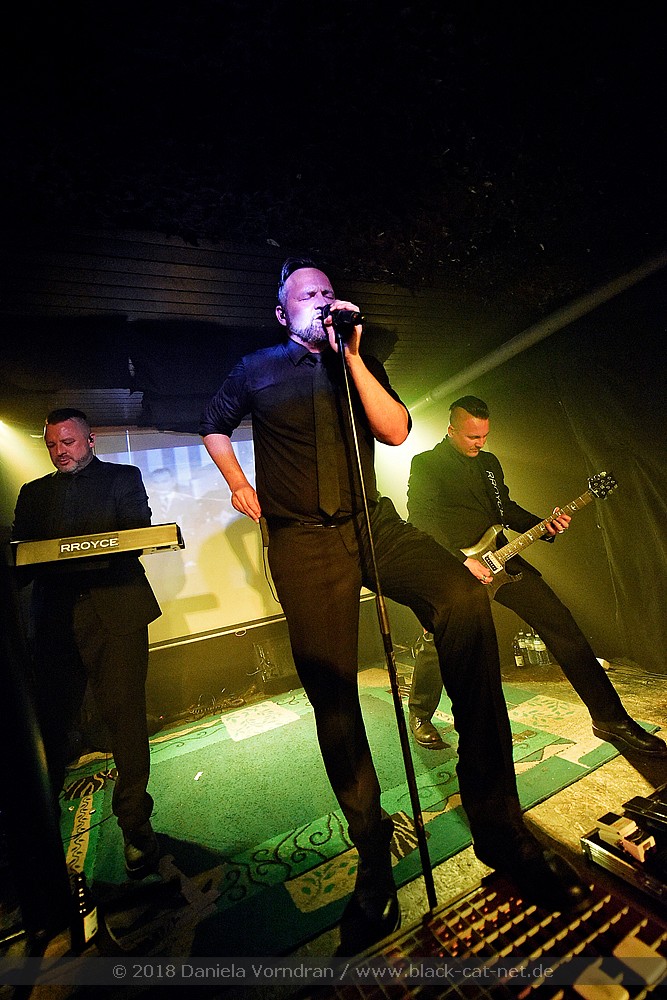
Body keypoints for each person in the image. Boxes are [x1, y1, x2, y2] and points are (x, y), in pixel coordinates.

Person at [200, 258, 593, 956]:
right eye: (307, 295)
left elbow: (394, 431)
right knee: (332, 689)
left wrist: (352, 357)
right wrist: (237, 482)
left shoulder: (359, 360)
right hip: (302, 541)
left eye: (327, 291)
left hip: (370, 523)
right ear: (282, 313)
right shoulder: (254, 368)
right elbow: (213, 424)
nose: (321, 300)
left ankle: (501, 832)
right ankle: (372, 856)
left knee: (462, 599)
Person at [406, 395, 667, 759]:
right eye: (472, 437)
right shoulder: (427, 464)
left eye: (485, 436)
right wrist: (460, 561)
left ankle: (610, 718)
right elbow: (420, 519)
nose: (480, 443)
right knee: (439, 640)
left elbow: (505, 510)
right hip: (455, 566)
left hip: (501, 559)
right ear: (451, 430)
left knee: (561, 623)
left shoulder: (489, 464)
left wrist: (544, 526)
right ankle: (420, 713)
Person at [12, 408, 162, 878]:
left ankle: (135, 826)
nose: (60, 452)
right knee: (53, 727)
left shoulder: (123, 477)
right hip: (55, 620)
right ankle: (39, 842)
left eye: (68, 442)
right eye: (52, 445)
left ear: (90, 440)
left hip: (115, 612)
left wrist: (72, 548)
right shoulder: (33, 493)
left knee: (125, 719)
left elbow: (137, 533)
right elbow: (21, 559)